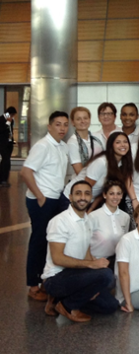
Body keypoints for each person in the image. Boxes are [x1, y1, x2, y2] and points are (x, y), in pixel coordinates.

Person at [41, 180, 120, 322]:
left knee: (111, 305)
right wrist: (91, 266)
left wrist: (92, 281)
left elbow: (87, 250)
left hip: (75, 275)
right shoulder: (60, 221)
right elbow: (57, 259)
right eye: (78, 193)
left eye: (87, 194)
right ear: (70, 197)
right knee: (106, 275)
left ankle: (59, 300)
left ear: (91, 198)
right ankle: (67, 305)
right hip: (56, 279)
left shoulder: (87, 220)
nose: (82, 197)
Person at [21, 111, 70, 301]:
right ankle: (33, 285)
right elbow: (26, 172)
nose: (62, 128)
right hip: (41, 200)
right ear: (49, 126)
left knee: (53, 240)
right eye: (58, 124)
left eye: (65, 124)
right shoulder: (42, 146)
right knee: (39, 241)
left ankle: (46, 280)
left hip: (55, 198)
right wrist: (40, 196)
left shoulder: (62, 146)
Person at [60, 130, 134, 212]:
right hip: (73, 199)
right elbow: (84, 188)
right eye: (118, 142)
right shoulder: (101, 162)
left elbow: (101, 193)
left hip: (89, 201)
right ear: (111, 145)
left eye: (125, 142)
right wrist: (81, 210)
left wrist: (90, 209)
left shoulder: (122, 163)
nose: (122, 145)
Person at [88, 179, 130, 272]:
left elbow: (124, 243)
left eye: (118, 193)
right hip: (96, 261)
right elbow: (84, 243)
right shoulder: (93, 216)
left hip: (116, 261)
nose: (115, 197)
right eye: (111, 193)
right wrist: (93, 261)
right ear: (104, 195)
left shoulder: (125, 217)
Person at [66, 106, 102, 176]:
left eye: (85, 118)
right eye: (78, 119)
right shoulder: (72, 142)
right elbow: (79, 172)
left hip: (101, 181)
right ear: (73, 122)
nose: (83, 121)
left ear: (89, 120)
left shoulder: (97, 138)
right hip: (84, 183)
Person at [0, 106, 17, 187]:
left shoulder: (12, 120)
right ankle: (3, 180)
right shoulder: (1, 119)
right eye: (12, 115)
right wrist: (8, 123)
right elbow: (2, 130)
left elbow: (10, 131)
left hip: (9, 143)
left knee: (6, 161)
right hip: (2, 144)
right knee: (6, 161)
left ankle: (4, 179)